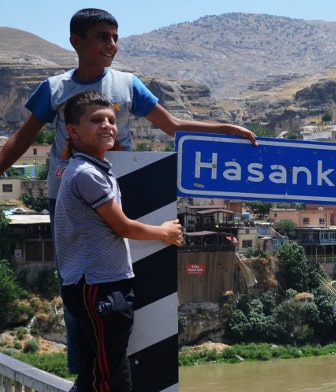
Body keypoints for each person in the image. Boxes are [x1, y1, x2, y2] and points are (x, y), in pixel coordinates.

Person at [0, 8, 257, 374]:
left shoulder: (127, 84)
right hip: (68, 198)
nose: (112, 45)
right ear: (77, 41)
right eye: (103, 37)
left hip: (123, 191)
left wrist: (226, 129)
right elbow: (18, 143)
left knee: (129, 280)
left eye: (115, 37)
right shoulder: (54, 89)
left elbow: (173, 126)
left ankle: (136, 368)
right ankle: (85, 372)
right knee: (75, 283)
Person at [56, 91, 183, 392]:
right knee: (111, 375)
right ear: (73, 132)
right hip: (99, 285)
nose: (107, 126)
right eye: (96, 120)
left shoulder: (90, 168)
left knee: (97, 368)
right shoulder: (88, 174)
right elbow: (123, 227)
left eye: (111, 120)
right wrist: (164, 232)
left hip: (101, 283)